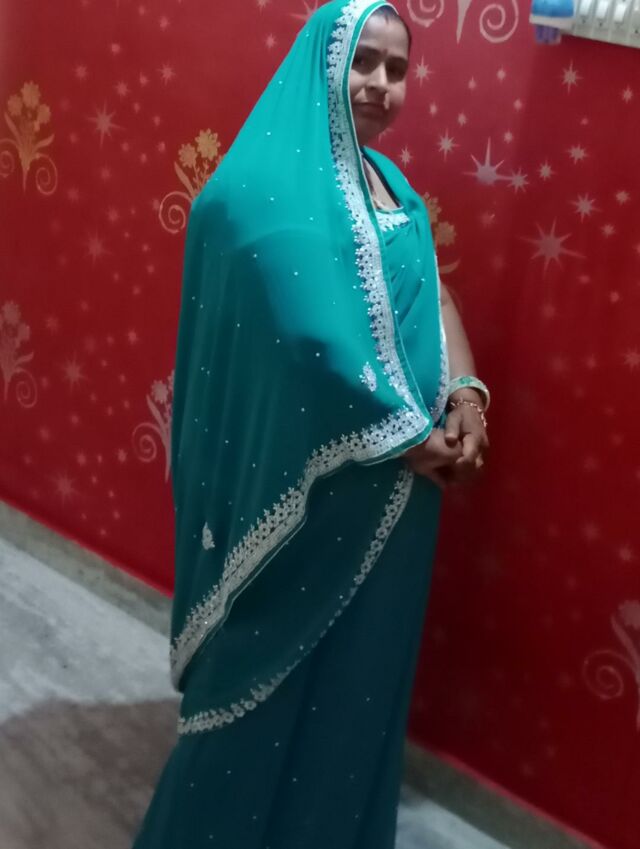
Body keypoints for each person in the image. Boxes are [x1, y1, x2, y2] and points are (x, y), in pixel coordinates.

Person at [131, 2, 490, 847]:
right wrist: (414, 438)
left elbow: (436, 297)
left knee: (359, 684)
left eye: (397, 69)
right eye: (363, 60)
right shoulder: (252, 195)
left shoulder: (393, 187)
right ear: (318, 63)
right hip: (302, 499)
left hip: (400, 500)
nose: (380, 83)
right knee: (257, 686)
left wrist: (468, 395)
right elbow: (302, 343)